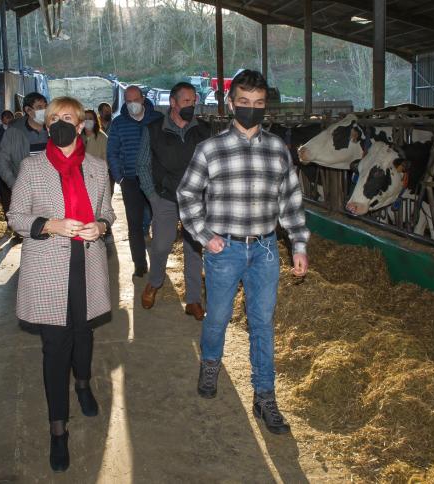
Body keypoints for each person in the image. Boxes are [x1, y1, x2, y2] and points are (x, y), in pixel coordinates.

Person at [177, 70, 309, 434]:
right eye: (244, 103)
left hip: (266, 249)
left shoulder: (277, 150)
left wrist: (298, 243)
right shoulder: (211, 149)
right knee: (217, 316)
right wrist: (205, 235)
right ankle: (210, 363)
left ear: (266, 107)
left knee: (263, 324)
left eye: (259, 104)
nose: (251, 109)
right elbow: (187, 195)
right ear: (231, 103)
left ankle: (264, 396)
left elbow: (291, 201)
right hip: (225, 249)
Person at [7, 96, 115, 472]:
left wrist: (99, 226)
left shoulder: (98, 169)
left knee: (83, 335)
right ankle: (58, 429)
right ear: (46, 125)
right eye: (53, 118)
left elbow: (107, 212)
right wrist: (50, 224)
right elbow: (15, 215)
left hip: (87, 263)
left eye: (68, 117)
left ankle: (83, 383)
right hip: (48, 268)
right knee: (55, 348)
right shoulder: (33, 166)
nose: (60, 123)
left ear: (83, 123)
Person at [136, 82, 209, 320]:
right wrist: (153, 198)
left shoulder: (204, 130)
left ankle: (194, 300)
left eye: (194, 101)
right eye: (186, 101)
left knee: (194, 249)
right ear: (173, 103)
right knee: (161, 245)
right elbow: (143, 165)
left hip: (196, 199)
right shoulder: (154, 129)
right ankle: (154, 283)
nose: (191, 105)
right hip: (165, 197)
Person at [107, 85, 162, 277]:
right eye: (128, 102)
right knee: (135, 224)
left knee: (160, 221)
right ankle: (139, 263)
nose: (132, 105)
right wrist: (120, 177)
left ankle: (158, 260)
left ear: (143, 99)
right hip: (130, 179)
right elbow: (112, 152)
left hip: (155, 180)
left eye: (135, 100)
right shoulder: (119, 123)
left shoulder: (157, 120)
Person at [0, 92, 48, 196]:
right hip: (26, 192)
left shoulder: (53, 130)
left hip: (50, 190)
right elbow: (1, 161)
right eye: (39, 107)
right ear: (28, 110)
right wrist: (15, 185)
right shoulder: (14, 132)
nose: (45, 110)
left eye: (46, 106)